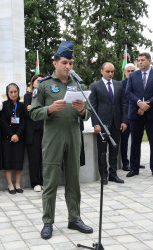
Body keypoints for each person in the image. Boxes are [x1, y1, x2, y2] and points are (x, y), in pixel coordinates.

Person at [30, 41, 93, 240]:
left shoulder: (79, 85)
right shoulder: (44, 85)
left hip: (74, 136)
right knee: (50, 181)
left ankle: (74, 218)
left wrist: (82, 110)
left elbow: (89, 114)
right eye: (65, 62)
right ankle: (47, 221)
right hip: (53, 138)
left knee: (73, 180)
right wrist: (49, 109)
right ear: (56, 63)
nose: (68, 67)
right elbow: (33, 113)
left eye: (71, 63)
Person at [125, 52, 153, 178]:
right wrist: (139, 103)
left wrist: (147, 105)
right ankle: (134, 168)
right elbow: (128, 92)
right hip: (136, 114)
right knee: (135, 142)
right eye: (139, 60)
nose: (140, 62)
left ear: (149, 61)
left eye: (142, 60)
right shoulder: (133, 75)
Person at [89, 62, 127, 185]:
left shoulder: (119, 85)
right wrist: (96, 124)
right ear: (101, 71)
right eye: (108, 71)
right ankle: (103, 175)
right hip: (102, 124)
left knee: (114, 151)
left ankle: (113, 174)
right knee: (102, 151)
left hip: (116, 123)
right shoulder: (94, 86)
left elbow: (123, 104)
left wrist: (124, 121)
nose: (110, 74)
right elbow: (92, 107)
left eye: (112, 72)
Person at [0, 83, 26, 194]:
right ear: (7, 93)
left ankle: (18, 184)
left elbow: (24, 122)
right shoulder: (3, 105)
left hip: (20, 137)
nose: (13, 94)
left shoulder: (22, 106)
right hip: (7, 137)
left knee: (19, 161)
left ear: (18, 93)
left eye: (15, 92)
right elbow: (2, 122)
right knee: (8, 161)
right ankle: (10, 185)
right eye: (11, 92)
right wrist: (11, 135)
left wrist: (17, 135)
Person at [120, 64, 145, 171]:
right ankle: (125, 163)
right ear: (125, 73)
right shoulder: (121, 84)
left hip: (137, 115)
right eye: (128, 71)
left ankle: (135, 162)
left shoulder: (140, 83)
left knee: (136, 141)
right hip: (125, 117)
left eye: (133, 71)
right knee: (124, 141)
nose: (130, 73)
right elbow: (120, 102)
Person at [24, 74, 44, 192]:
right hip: (33, 132)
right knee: (34, 159)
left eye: (42, 81)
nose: (40, 82)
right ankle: (35, 182)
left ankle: (44, 181)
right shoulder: (28, 95)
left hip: (45, 130)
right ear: (32, 83)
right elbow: (28, 113)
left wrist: (34, 108)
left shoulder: (46, 95)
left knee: (45, 158)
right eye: (38, 81)